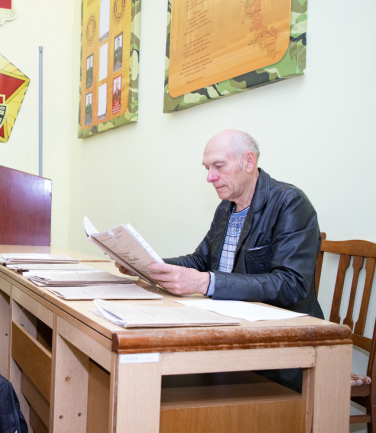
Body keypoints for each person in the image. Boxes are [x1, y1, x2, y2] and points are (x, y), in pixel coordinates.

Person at [116, 130, 324, 391]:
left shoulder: (290, 202)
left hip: (281, 348)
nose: (210, 177)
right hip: (233, 331)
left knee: (159, 372)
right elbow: (200, 260)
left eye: (219, 166)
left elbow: (292, 283)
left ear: (248, 161)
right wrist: (146, 264)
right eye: (207, 168)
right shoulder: (226, 207)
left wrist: (206, 283)